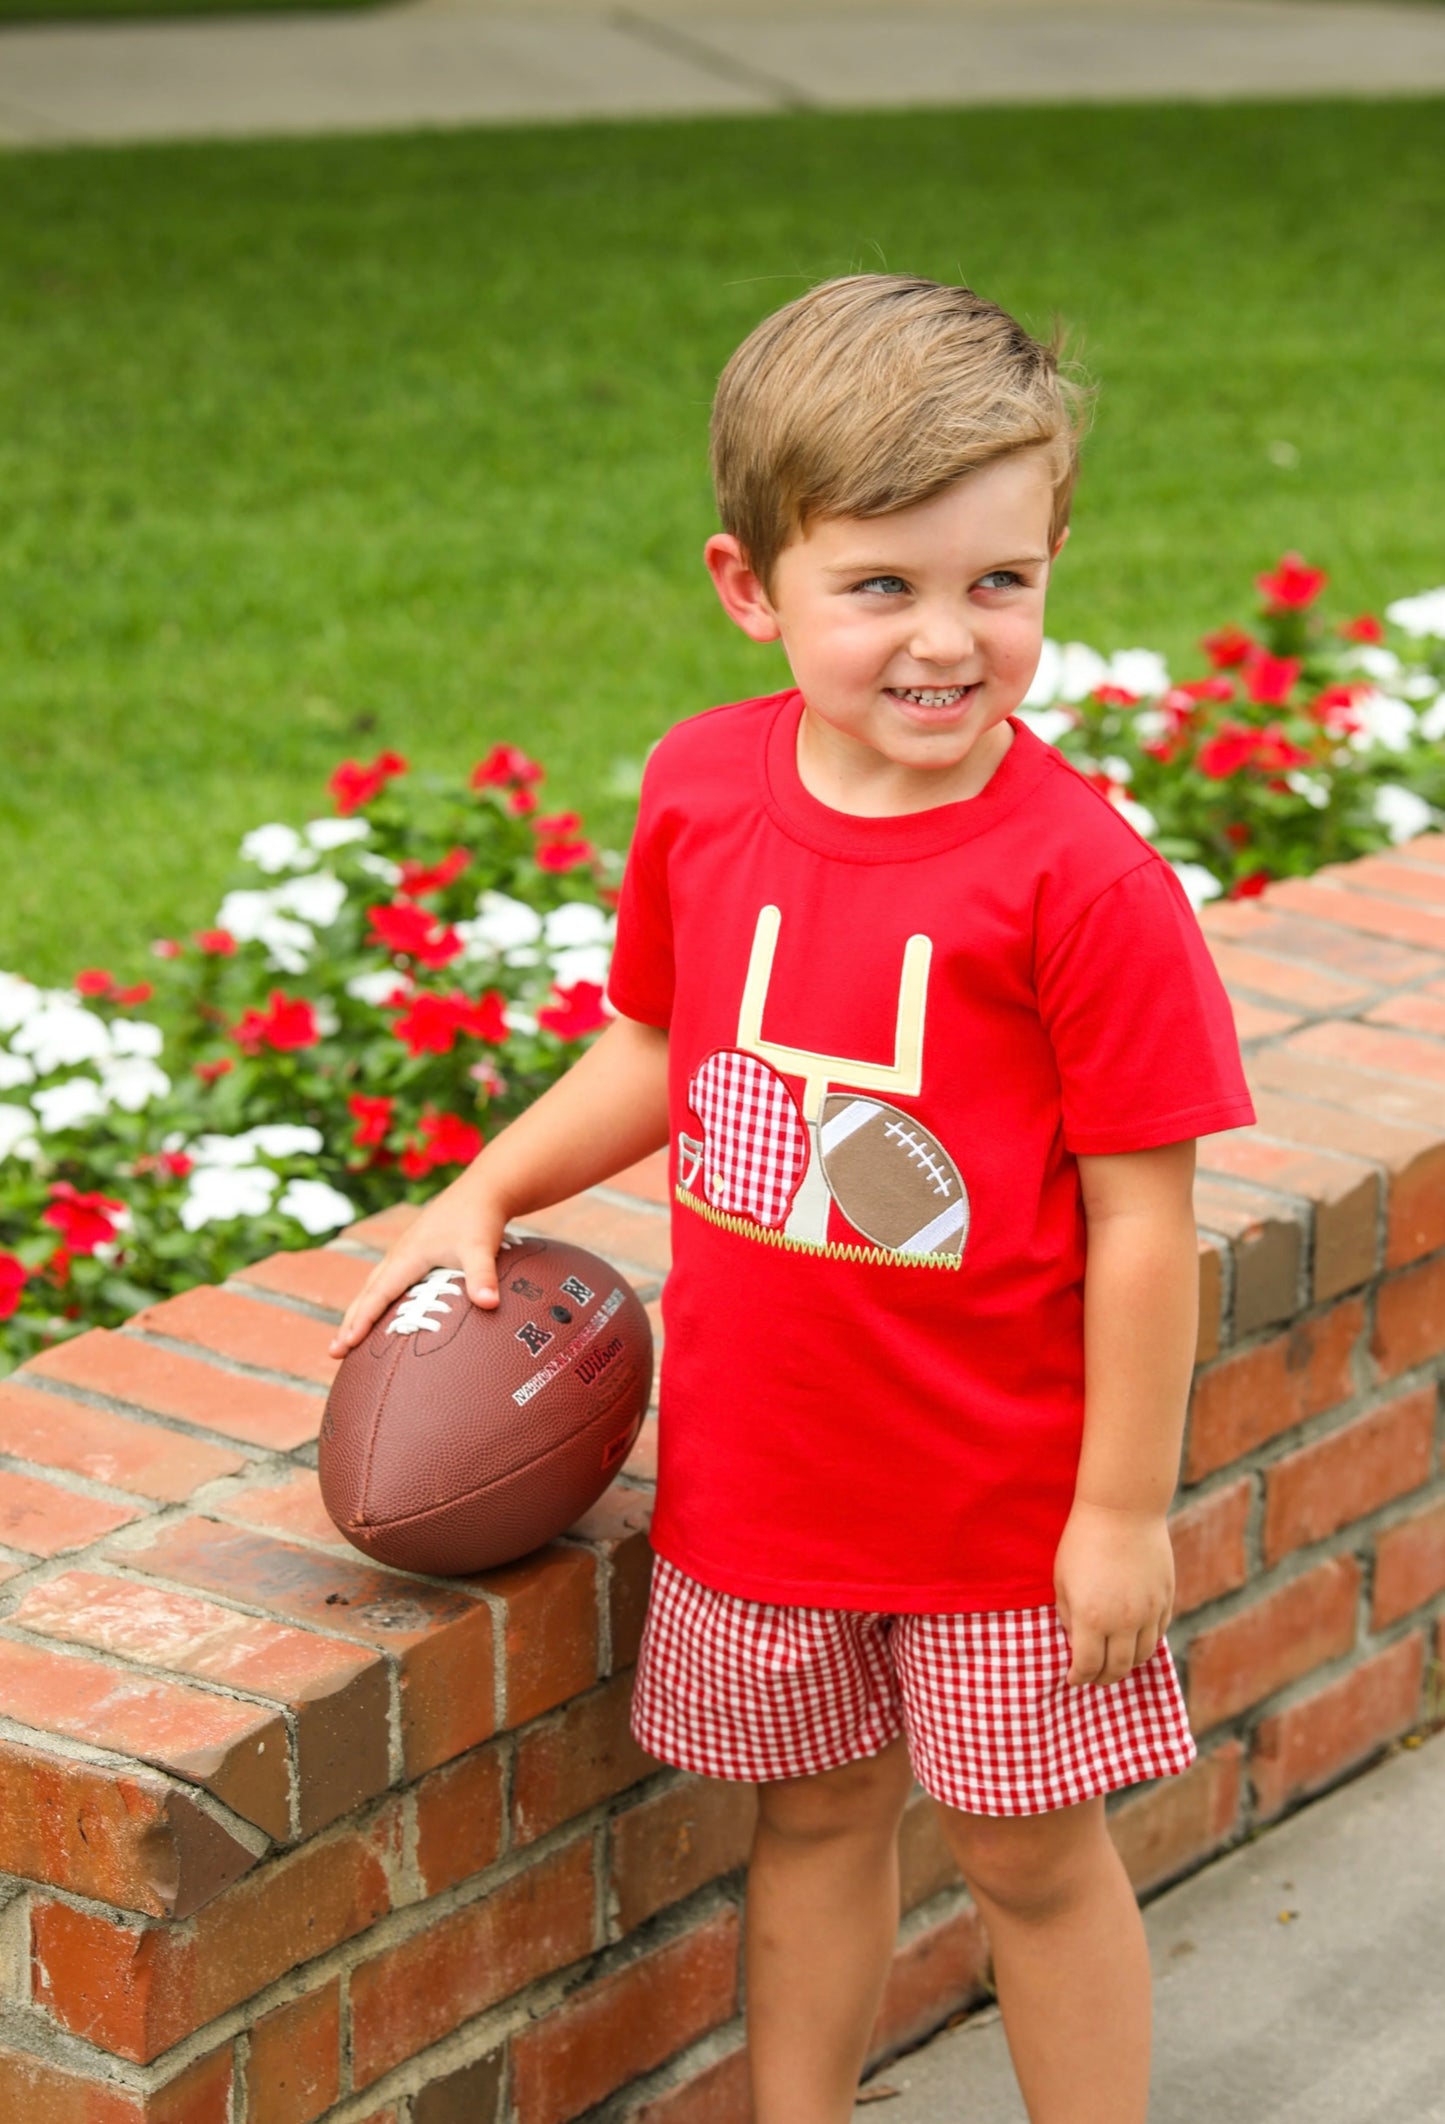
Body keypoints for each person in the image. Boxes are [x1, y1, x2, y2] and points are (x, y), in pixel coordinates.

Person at [332, 274, 1256, 2124]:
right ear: (751, 588)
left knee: (1026, 1861)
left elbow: (1144, 1220)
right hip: (767, 1490)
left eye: (997, 582)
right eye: (881, 587)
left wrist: (1120, 1513)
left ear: (1054, 557)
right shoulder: (703, 793)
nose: (945, 639)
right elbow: (664, 1048)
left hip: (1007, 1519)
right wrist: (486, 1184)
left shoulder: (1078, 883)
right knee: (813, 1820)